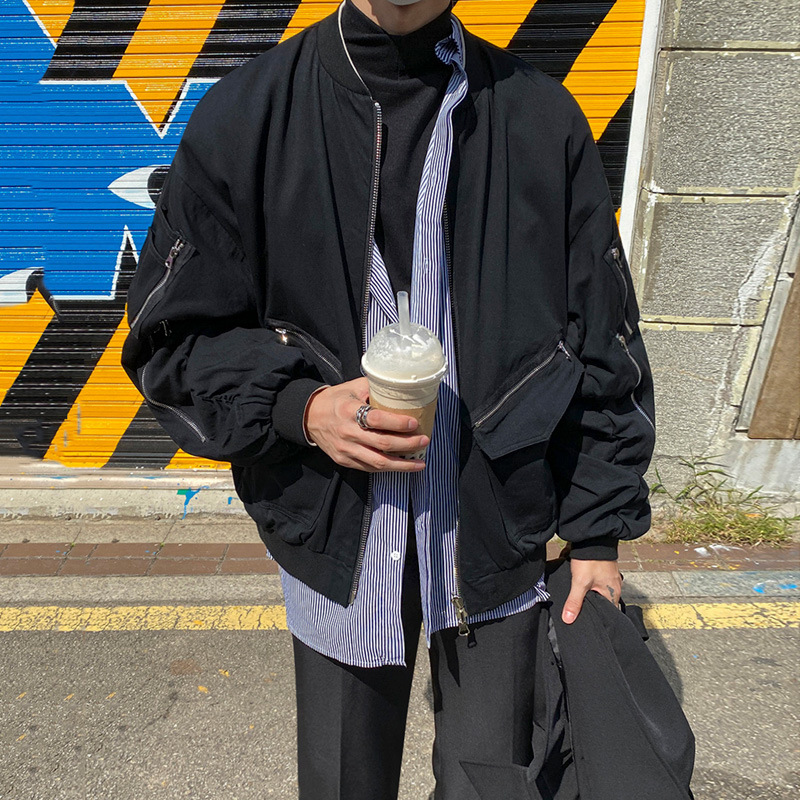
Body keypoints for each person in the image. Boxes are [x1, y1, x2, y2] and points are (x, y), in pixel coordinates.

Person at [121, 0, 657, 797]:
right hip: (333, 531)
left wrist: (597, 534)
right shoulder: (248, 115)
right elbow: (172, 337)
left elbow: (601, 340)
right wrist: (300, 407)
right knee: (343, 781)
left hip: (498, 532)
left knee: (494, 785)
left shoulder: (540, 118)